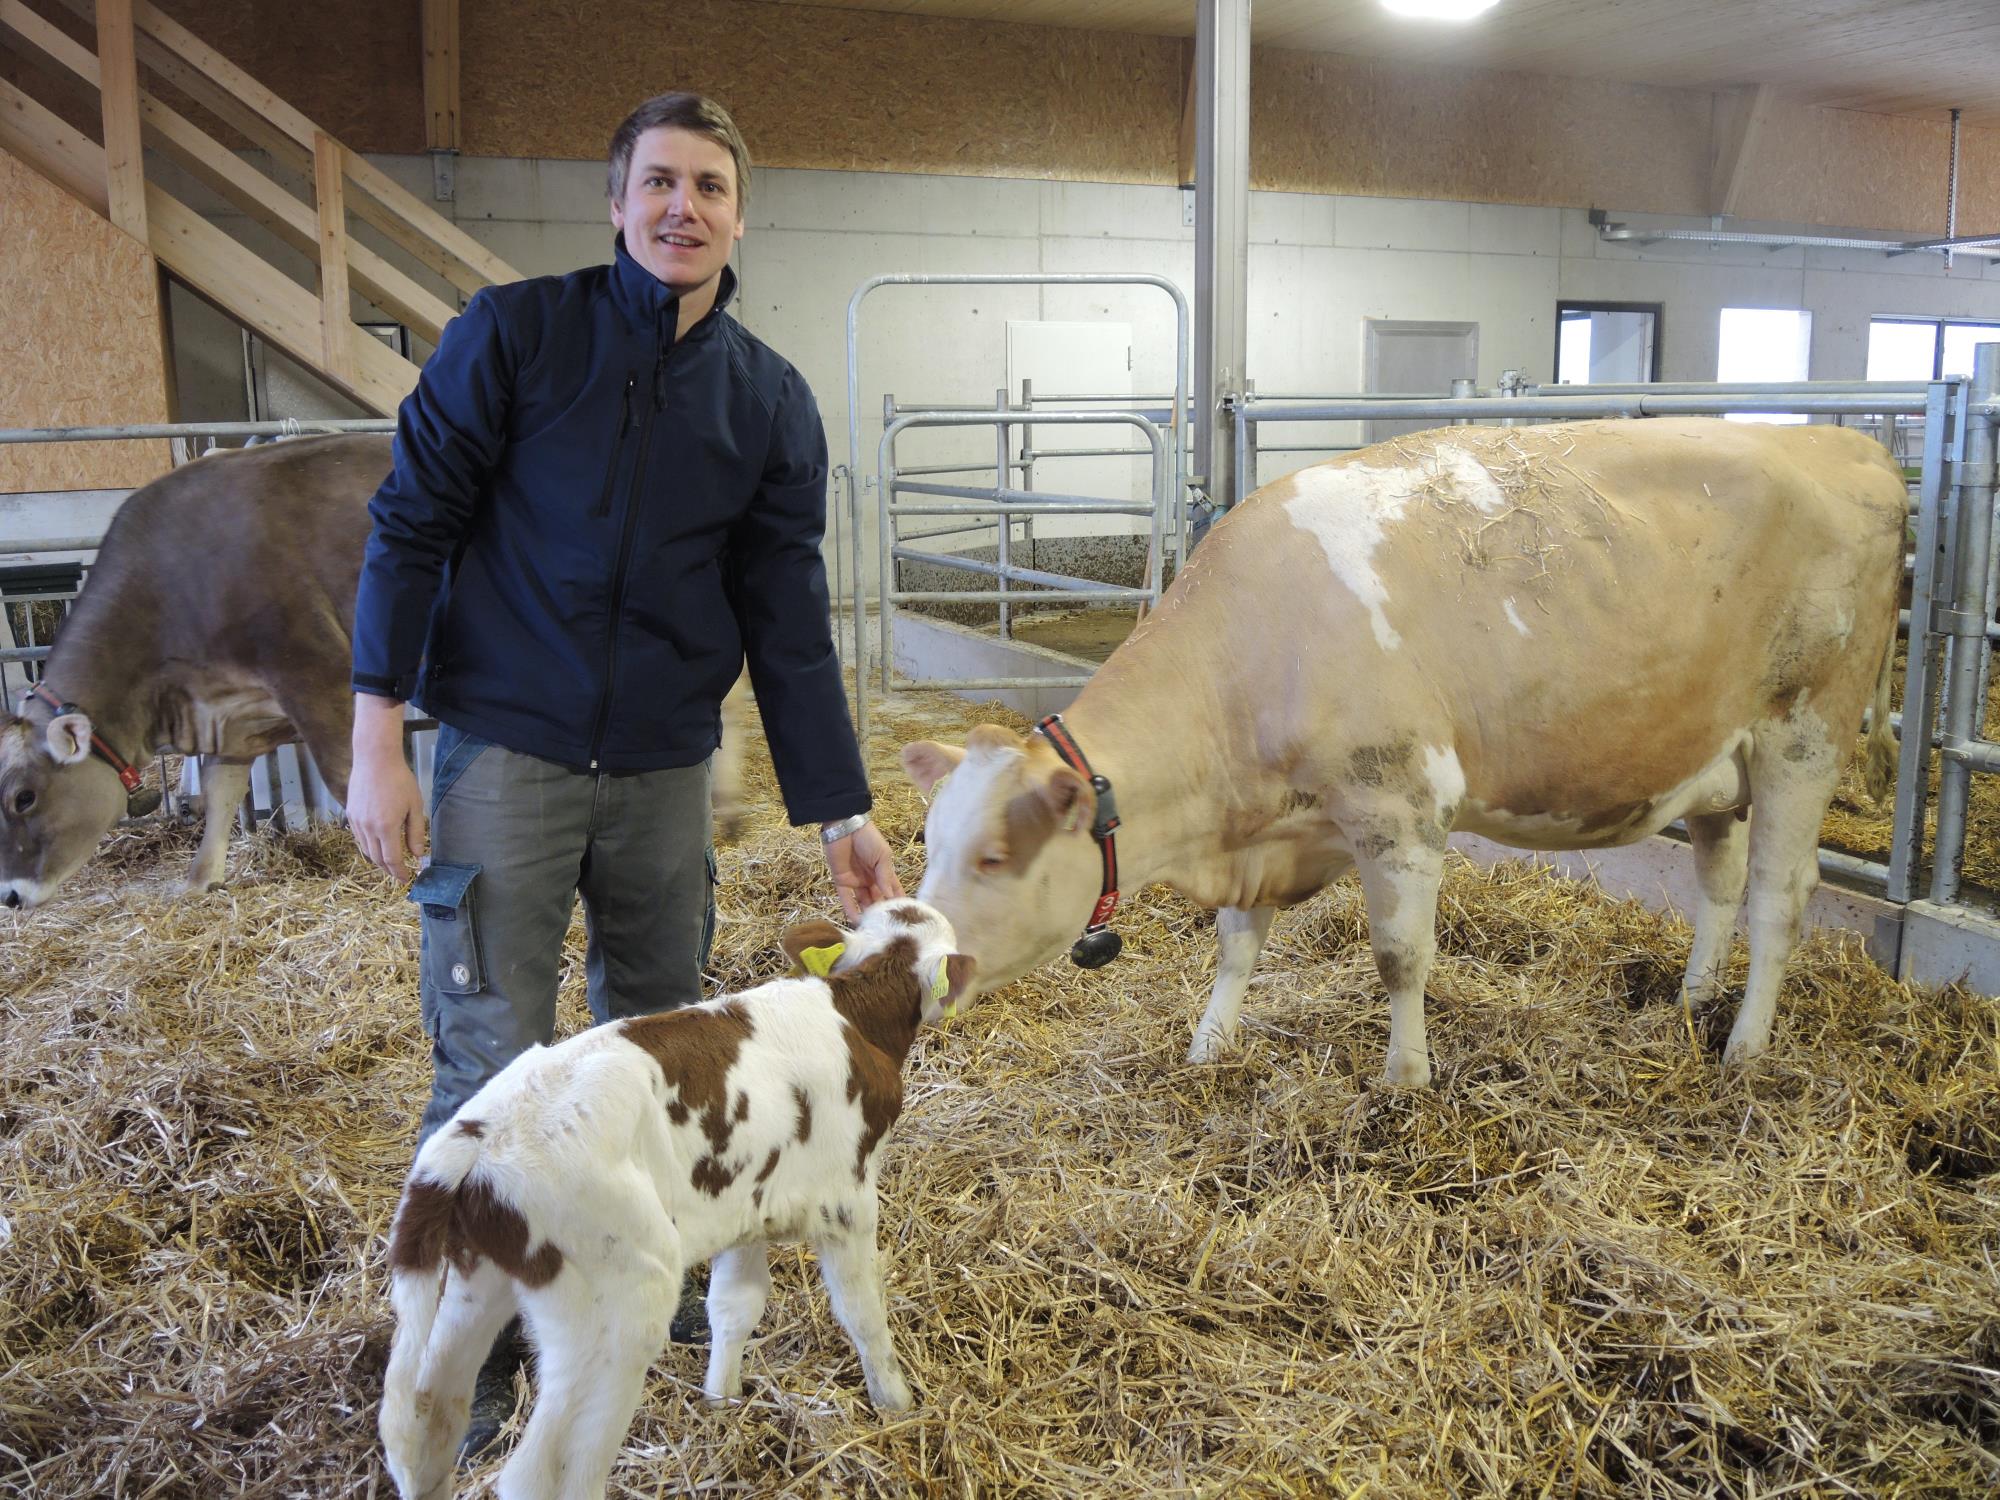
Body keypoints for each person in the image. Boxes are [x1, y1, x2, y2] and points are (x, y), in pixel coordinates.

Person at [346, 91, 902, 1454]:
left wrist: (841, 803)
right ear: (615, 203)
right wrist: (377, 737)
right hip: (505, 752)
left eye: (709, 187)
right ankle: (458, 1372)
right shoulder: (515, 338)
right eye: (658, 182)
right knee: (492, 1063)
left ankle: (640, 1305)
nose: (681, 208)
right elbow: (410, 525)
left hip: (663, 769)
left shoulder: (767, 400)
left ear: (738, 214)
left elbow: (786, 615)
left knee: (664, 1044)